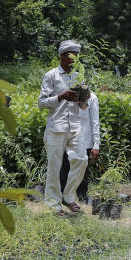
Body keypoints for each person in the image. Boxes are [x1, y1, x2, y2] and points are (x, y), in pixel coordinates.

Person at [38, 40, 89, 216]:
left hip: (74, 125)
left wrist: (84, 98)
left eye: (77, 54)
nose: (74, 57)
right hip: (56, 127)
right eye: (70, 54)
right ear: (62, 56)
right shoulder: (51, 76)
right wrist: (60, 97)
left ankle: (69, 196)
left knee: (82, 159)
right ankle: (54, 205)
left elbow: (83, 106)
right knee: (54, 166)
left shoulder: (78, 75)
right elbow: (41, 103)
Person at [59, 90, 100, 204]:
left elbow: (95, 122)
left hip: (84, 141)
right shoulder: (67, 97)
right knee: (64, 170)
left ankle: (82, 199)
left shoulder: (92, 98)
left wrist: (96, 145)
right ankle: (63, 199)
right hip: (67, 140)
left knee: (83, 172)